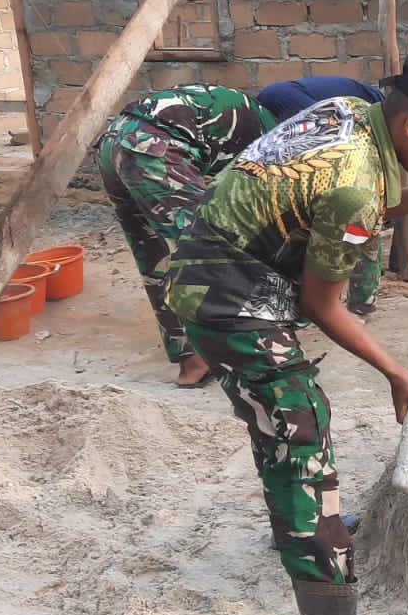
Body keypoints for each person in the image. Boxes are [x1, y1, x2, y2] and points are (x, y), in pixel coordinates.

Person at [163, 50, 408, 615]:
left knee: (282, 424)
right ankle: (329, 606)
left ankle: (296, 520)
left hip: (217, 262)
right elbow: (324, 304)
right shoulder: (354, 182)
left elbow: (347, 203)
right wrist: (397, 373)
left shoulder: (350, 114)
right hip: (225, 291)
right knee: (300, 422)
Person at [91, 82, 278, 388]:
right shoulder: (275, 139)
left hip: (115, 140)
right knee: (212, 252)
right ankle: (259, 351)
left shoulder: (240, 111)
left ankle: (192, 359)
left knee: (156, 255)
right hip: (155, 147)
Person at [256, 77, 389, 318]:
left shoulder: (369, 106)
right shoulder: (374, 117)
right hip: (285, 101)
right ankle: (356, 303)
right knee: (361, 206)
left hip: (274, 101)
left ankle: (348, 301)